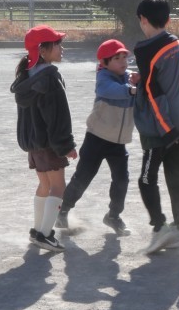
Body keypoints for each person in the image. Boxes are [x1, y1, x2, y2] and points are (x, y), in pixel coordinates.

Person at [55, 39, 139, 236]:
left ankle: (113, 216)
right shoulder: (104, 78)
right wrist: (132, 89)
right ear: (104, 63)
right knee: (83, 177)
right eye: (117, 58)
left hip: (118, 142)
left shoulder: (130, 78)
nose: (123, 61)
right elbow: (108, 90)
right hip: (97, 139)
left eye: (125, 57)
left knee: (122, 180)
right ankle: (63, 210)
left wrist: (141, 82)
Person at [133, 0, 179, 254]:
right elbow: (161, 79)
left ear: (143, 19)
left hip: (160, 127)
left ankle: (159, 227)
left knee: (147, 179)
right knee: (177, 177)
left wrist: (167, 131)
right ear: (168, 20)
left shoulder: (145, 50)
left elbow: (152, 92)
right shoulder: (174, 41)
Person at [10, 25, 77, 252]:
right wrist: (66, 146)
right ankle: (45, 234)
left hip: (34, 144)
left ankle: (37, 230)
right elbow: (57, 118)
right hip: (49, 144)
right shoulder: (49, 78)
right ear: (42, 50)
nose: (61, 48)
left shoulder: (26, 77)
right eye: (57, 44)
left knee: (45, 185)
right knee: (58, 187)